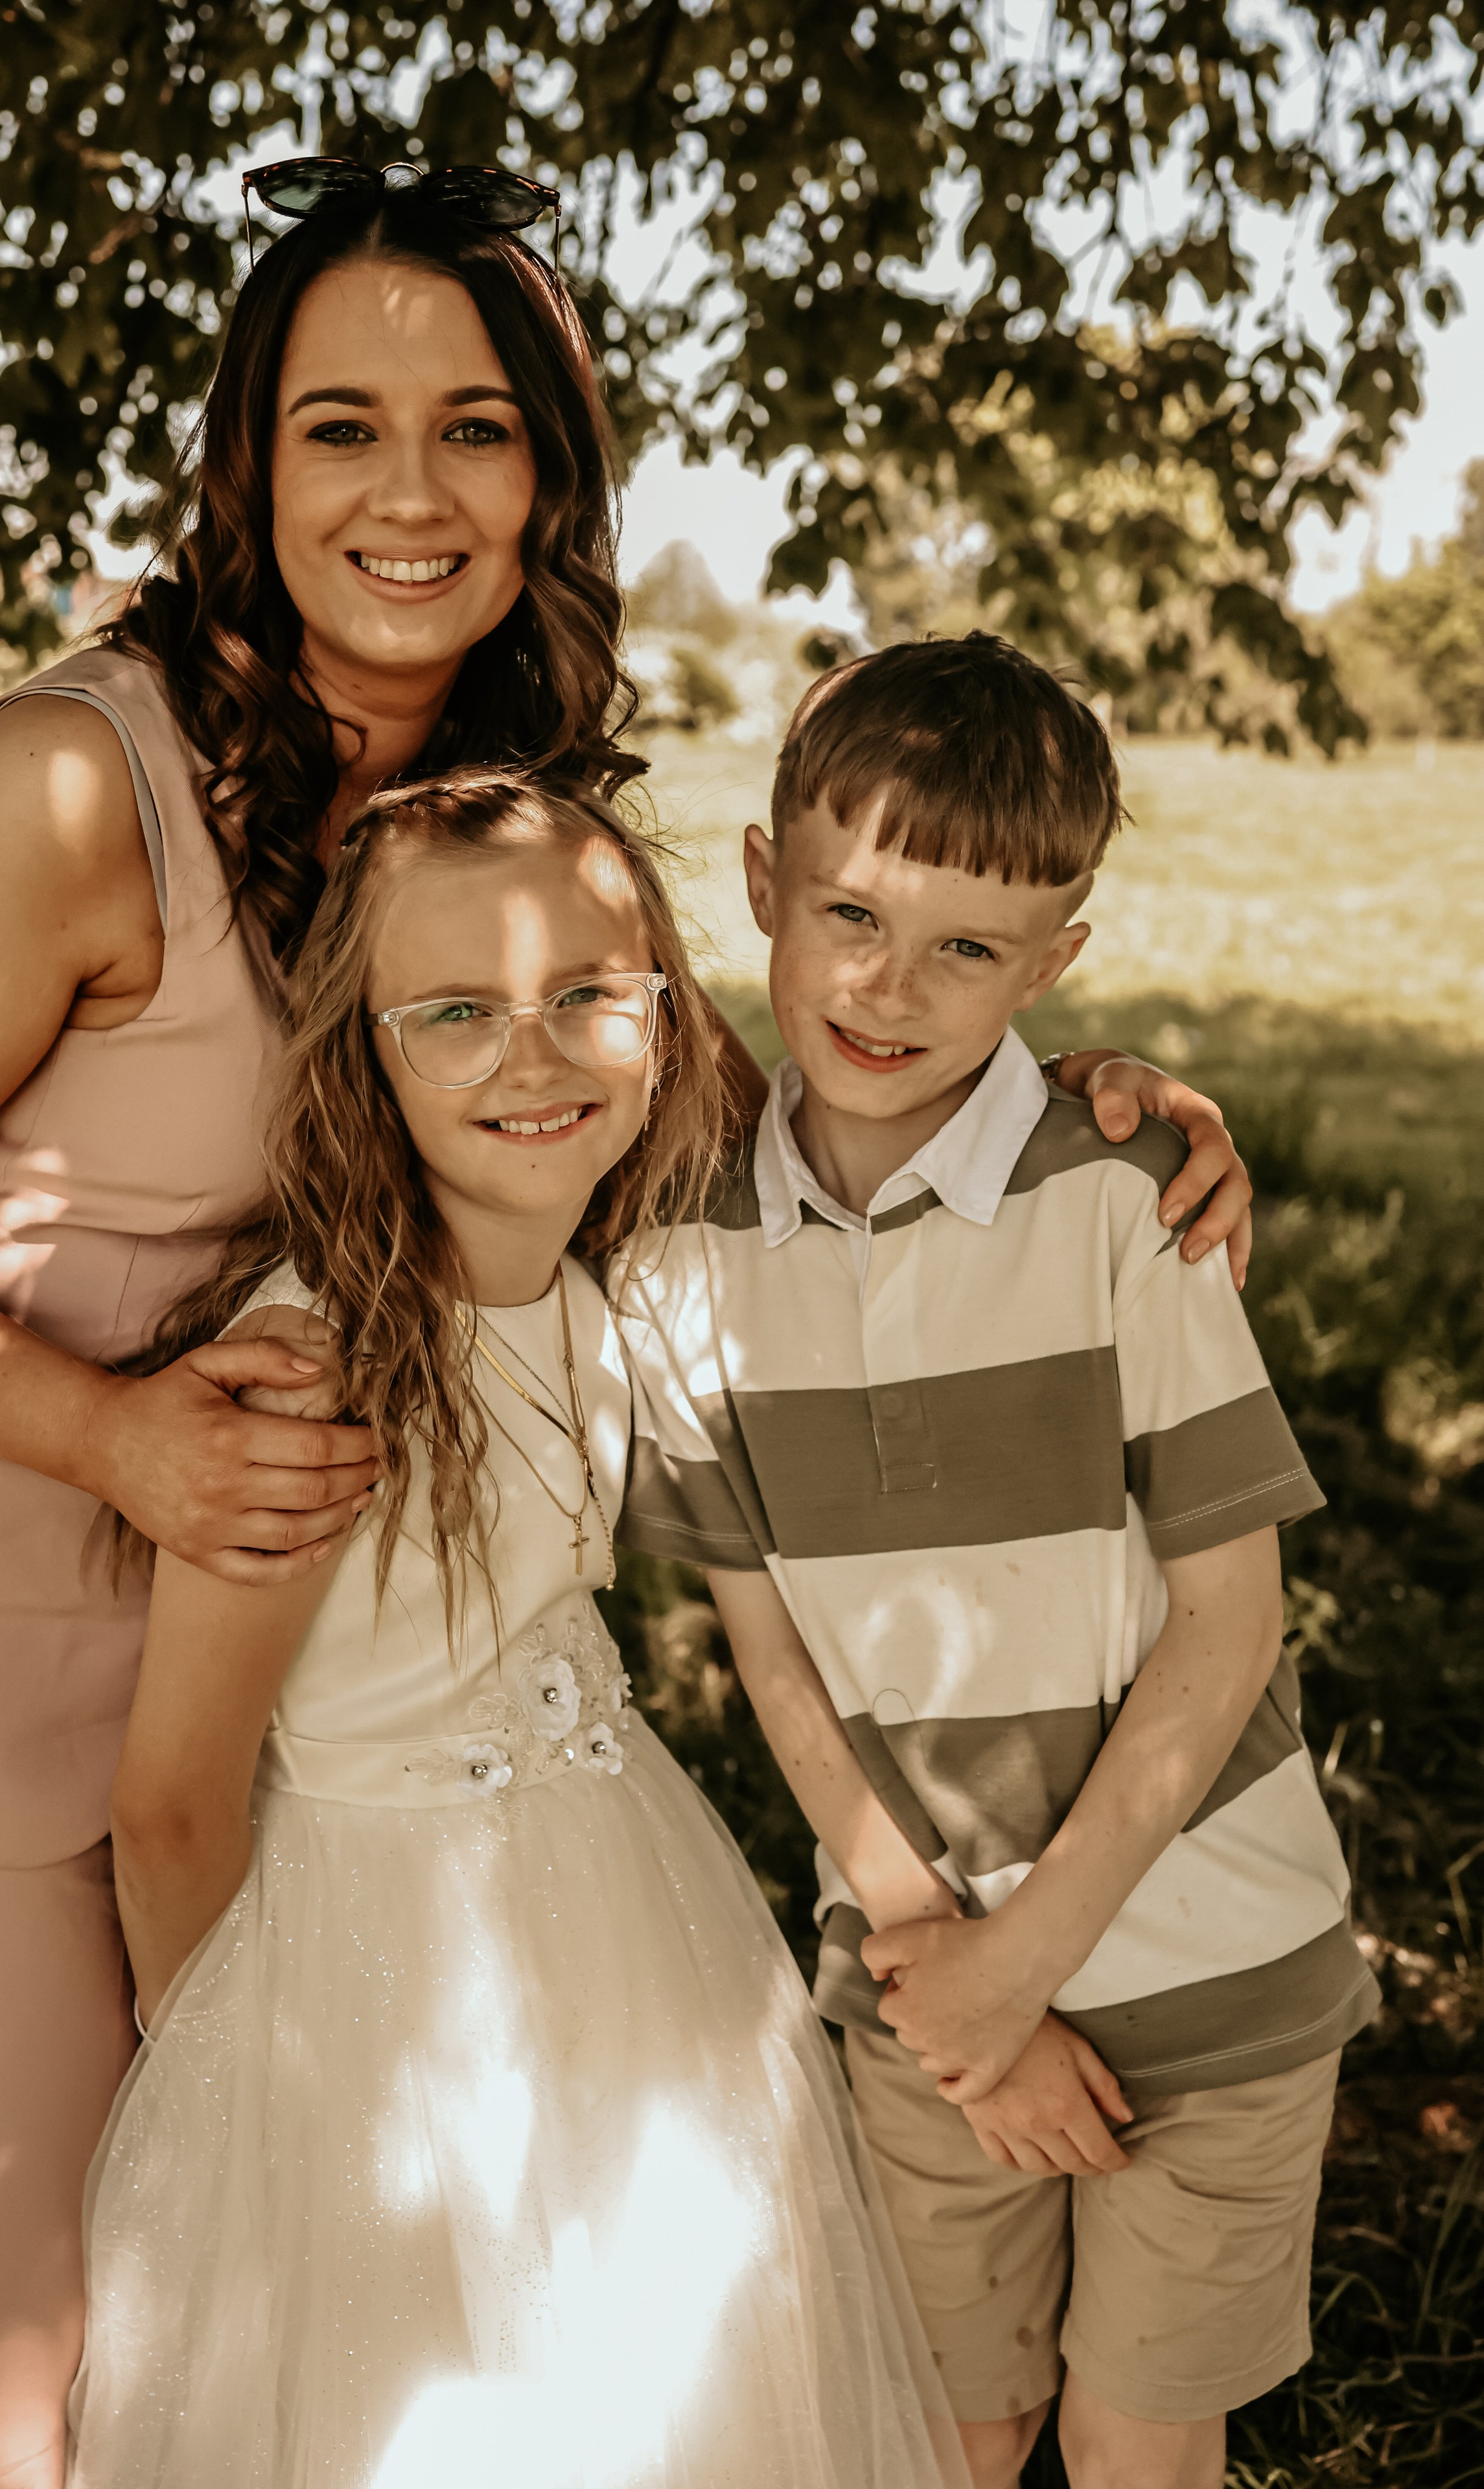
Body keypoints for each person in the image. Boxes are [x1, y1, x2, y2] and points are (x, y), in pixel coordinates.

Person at [0, 152, 1245, 2484]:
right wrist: (108, 1435)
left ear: (550, 479)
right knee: (38, 2431)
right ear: (243, 463)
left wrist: (1068, 1109)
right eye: (338, 426)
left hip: (332, 1750)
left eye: (476, 426)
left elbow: (682, 1118)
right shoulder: (83, 787)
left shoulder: (504, 804)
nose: (411, 490)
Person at [65, 768, 970, 2489]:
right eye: (457, 1013)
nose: (532, 1058)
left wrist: (1118, 1098)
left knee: (652, 2378)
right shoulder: (313, 1373)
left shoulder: (595, 1286)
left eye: (586, 997)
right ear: (367, 1055)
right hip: (365, 1990)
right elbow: (171, 1806)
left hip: (619, 1923)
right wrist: (243, 2121)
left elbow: (906, 1127)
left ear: (664, 1016)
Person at [612, 635, 1380, 2489]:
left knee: (1134, 2444)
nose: (891, 988)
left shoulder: (1126, 1208)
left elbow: (1228, 1625)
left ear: (1057, 968)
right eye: (851, 915)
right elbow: (771, 1653)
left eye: (971, 948)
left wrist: (1024, 1962)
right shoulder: (688, 1265)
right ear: (759, 887)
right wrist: (946, 1969)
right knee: (948, 2428)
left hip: (1214, 1971)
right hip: (926, 1973)